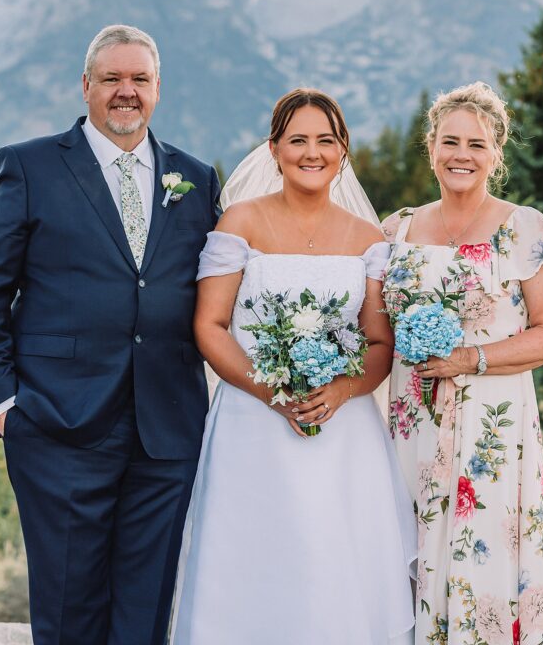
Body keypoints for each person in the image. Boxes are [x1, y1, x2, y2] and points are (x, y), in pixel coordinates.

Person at [0, 24, 221, 645]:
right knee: (69, 610)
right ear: (86, 87)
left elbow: (218, 290)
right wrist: (4, 405)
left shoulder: (196, 178)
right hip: (56, 425)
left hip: (167, 430)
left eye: (138, 79)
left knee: (146, 612)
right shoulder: (28, 166)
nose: (125, 91)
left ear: (158, 88)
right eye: (112, 79)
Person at [170, 88, 417, 645]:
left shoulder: (367, 239)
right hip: (252, 424)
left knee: (335, 561)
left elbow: (379, 343)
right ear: (275, 149)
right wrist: (269, 391)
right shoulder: (241, 221)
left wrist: (342, 389)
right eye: (298, 139)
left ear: (343, 152)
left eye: (325, 141)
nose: (312, 152)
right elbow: (210, 325)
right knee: (254, 558)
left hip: (343, 430)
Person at [382, 82, 543, 645]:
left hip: (491, 430)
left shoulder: (525, 228)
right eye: (449, 141)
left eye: (476, 144)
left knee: (480, 561)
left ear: (496, 154)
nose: (461, 154)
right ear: (431, 147)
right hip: (409, 425)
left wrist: (470, 358)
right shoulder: (398, 229)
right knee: (402, 553)